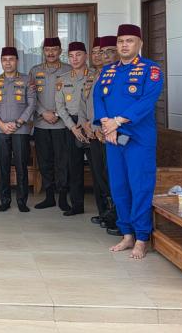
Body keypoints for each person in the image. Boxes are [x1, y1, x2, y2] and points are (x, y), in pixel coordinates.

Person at [94, 24, 163, 259]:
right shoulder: (108, 71)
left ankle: (142, 237)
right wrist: (106, 124)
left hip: (138, 139)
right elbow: (98, 98)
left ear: (139, 43)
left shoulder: (150, 69)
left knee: (140, 186)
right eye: (121, 41)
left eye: (130, 40)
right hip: (113, 139)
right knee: (119, 187)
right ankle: (127, 234)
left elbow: (146, 102)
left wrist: (116, 122)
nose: (124, 45)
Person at [78, 36, 119, 234]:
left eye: (110, 51)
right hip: (93, 132)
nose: (105, 56)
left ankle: (116, 215)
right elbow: (84, 103)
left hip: (110, 133)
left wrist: (101, 127)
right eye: (102, 52)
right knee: (98, 174)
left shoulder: (118, 74)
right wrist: (86, 125)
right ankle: (104, 211)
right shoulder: (94, 76)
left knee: (113, 175)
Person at [0, 47, 35, 212]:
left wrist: (18, 123)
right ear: (1, 62)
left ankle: (22, 201)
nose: (8, 63)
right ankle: (5, 200)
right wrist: (0, 124)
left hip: (20, 130)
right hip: (0, 130)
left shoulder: (27, 80)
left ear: (17, 61)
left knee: (21, 166)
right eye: (4, 60)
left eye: (11, 59)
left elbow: (31, 104)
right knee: (3, 166)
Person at [28, 37, 72, 210]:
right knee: (45, 162)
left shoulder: (68, 70)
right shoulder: (35, 71)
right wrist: (43, 112)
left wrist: (57, 114)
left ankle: (62, 197)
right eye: (47, 49)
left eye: (54, 49)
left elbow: (72, 97)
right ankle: (49, 196)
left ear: (60, 51)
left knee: (63, 162)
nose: (51, 53)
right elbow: (31, 97)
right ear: (43, 51)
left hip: (62, 124)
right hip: (41, 124)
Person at [55, 42, 95, 216]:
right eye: (71, 56)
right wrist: (73, 127)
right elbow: (60, 107)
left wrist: (88, 124)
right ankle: (77, 205)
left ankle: (105, 208)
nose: (75, 59)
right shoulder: (62, 79)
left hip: (92, 125)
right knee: (73, 167)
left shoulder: (95, 76)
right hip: (71, 125)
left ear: (86, 56)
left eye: (78, 54)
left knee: (98, 168)